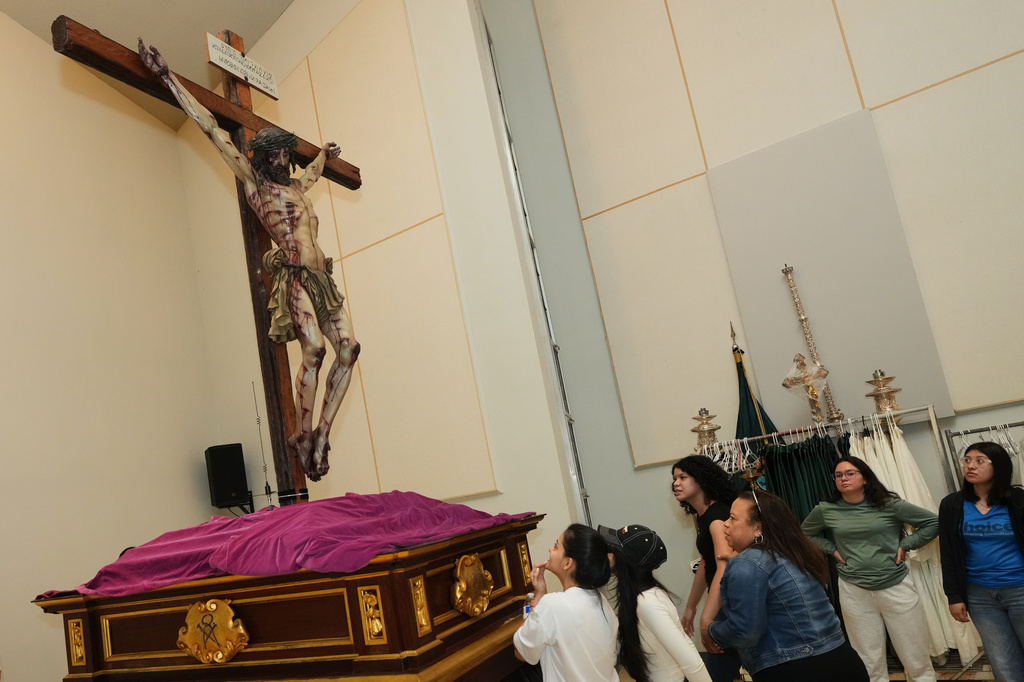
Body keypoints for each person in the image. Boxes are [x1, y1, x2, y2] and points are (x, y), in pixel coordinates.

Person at [138, 41, 360, 482]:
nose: (284, 159)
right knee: (315, 349)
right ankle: (302, 434)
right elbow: (211, 129)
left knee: (349, 350)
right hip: (294, 276)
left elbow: (313, 173)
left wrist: (322, 156)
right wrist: (167, 78)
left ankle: (322, 432)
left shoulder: (297, 188)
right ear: (265, 156)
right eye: (278, 153)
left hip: (322, 279)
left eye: (286, 153)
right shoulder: (258, 186)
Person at [801, 456, 939, 682]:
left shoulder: (890, 504)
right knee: (869, 662)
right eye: (838, 475)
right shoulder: (826, 509)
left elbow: (933, 522)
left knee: (916, 659)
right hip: (854, 591)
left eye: (850, 473)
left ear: (864, 478)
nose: (843, 478)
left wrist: (906, 545)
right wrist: (831, 549)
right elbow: (805, 533)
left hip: (895, 586)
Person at [708, 491, 868, 682]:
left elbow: (745, 632)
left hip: (797, 670)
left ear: (758, 528)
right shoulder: (795, 552)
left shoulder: (747, 562)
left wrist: (711, 631)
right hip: (844, 661)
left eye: (733, 518)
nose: (725, 524)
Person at [939, 442, 1024, 682]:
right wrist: (954, 596)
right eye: (967, 460)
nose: (970, 466)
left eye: (979, 460)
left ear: (999, 466)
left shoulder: (1018, 500)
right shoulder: (952, 504)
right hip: (979, 595)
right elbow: (948, 552)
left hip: (1020, 588)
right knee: (1002, 662)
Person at [602, 523, 712, 682]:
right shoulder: (644, 596)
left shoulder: (648, 603)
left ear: (627, 561)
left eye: (613, 551)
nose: (608, 555)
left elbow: (691, 662)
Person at [513, 523, 618, 682]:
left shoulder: (552, 605)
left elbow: (521, 652)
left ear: (568, 563)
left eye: (556, 546)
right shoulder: (600, 599)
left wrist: (539, 595)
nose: (550, 549)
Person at [671, 455, 739, 682]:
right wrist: (691, 607)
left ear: (700, 480)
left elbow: (724, 566)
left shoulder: (717, 517)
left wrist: (706, 620)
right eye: (674, 479)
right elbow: (706, 561)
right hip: (727, 602)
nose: (676, 483)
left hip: (732, 603)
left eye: (683, 477)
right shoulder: (705, 516)